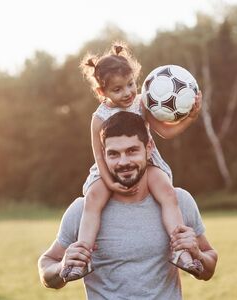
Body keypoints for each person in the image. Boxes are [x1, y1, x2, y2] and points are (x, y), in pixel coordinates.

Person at [61, 41, 204, 281]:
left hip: (146, 163)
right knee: (93, 199)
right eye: (118, 89)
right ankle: (81, 258)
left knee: (168, 194)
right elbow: (99, 154)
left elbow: (165, 132)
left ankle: (181, 250)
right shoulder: (99, 118)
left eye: (131, 85)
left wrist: (190, 117)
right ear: (101, 92)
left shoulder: (142, 102)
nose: (127, 93)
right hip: (109, 168)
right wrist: (109, 182)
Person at [38, 111, 218, 299]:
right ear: (103, 155)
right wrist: (61, 267)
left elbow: (208, 270)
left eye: (132, 151)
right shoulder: (82, 211)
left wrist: (197, 254)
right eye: (114, 154)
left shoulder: (179, 201)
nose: (124, 162)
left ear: (149, 148)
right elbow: (47, 267)